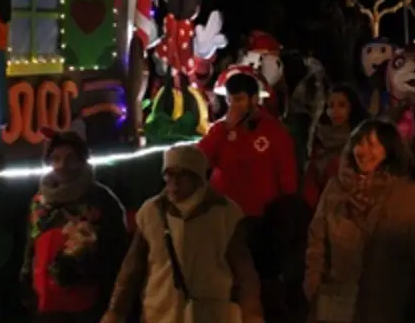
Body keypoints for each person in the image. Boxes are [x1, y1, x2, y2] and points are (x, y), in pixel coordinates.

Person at [304, 119, 415, 323]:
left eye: (372, 144)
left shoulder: (411, 196)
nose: (363, 151)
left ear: (388, 150)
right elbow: (317, 240)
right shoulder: (335, 190)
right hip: (337, 306)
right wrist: (314, 287)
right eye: (359, 144)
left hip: (390, 309)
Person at [103, 145, 263, 323]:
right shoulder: (151, 212)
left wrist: (252, 313)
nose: (174, 182)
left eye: (183, 175)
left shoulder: (225, 213)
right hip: (162, 313)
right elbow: (132, 269)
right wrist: (115, 311)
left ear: (198, 178)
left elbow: (244, 272)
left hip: (212, 314)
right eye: (169, 175)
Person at [198, 68, 298, 316]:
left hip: (261, 222)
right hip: (224, 220)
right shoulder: (220, 130)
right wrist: (223, 129)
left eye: (240, 99)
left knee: (261, 283)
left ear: (254, 99)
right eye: (230, 100)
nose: (234, 106)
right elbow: (198, 160)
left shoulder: (274, 131)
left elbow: (287, 178)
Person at [20, 130, 128, 323]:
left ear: (82, 160)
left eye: (70, 158)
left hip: (87, 308)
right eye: (56, 158)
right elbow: (31, 247)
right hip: (46, 306)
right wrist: (27, 289)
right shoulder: (40, 202)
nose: (62, 165)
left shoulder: (101, 200)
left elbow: (117, 254)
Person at [303, 85, 368, 209]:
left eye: (342, 105)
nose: (335, 111)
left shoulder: (361, 143)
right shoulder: (318, 140)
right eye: (330, 106)